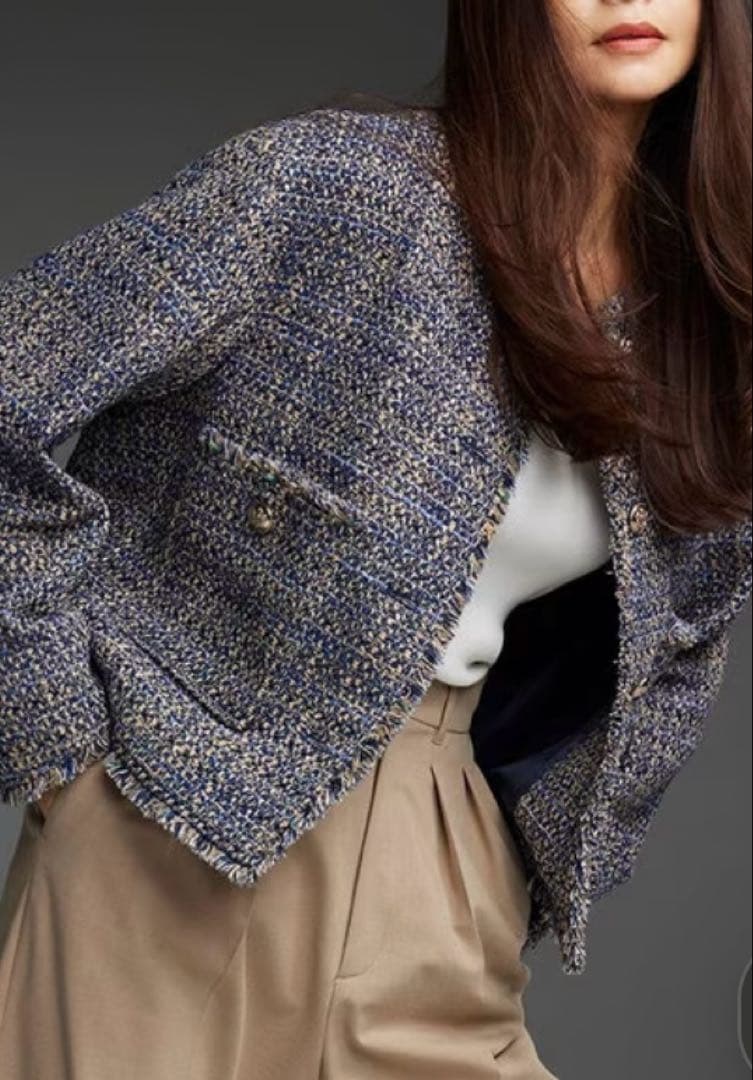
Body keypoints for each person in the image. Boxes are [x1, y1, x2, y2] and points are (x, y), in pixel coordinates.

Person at [1, 1, 751, 1077]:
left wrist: (519, 854)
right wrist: (59, 741)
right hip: (163, 837)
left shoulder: (707, 308)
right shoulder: (334, 188)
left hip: (440, 855)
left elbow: (687, 624)